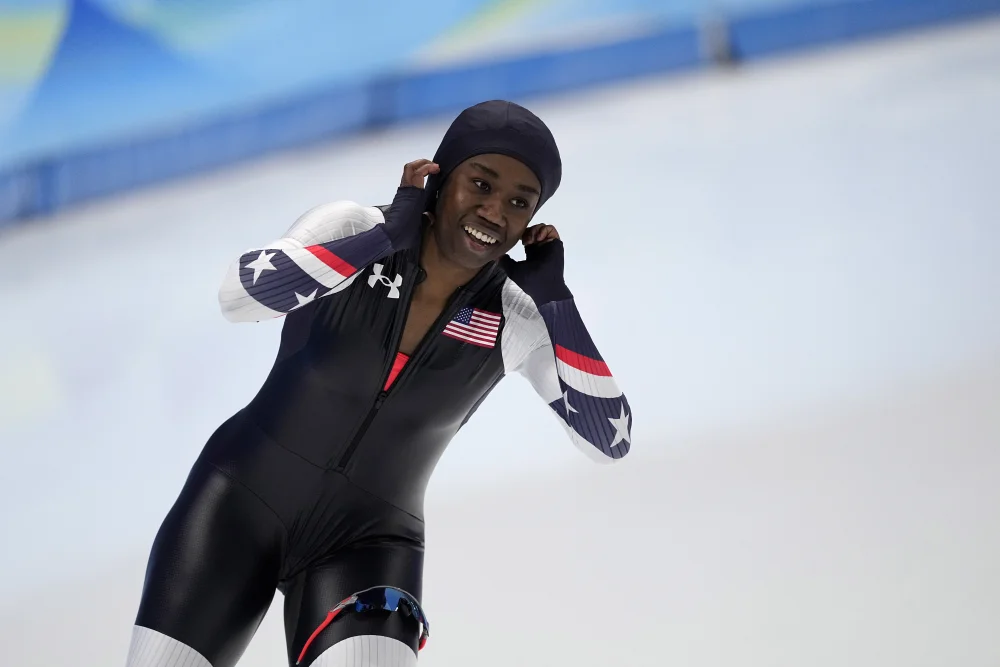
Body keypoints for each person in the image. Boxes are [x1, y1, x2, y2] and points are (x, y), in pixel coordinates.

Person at [126, 100, 632, 667]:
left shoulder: (517, 316)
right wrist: (380, 240)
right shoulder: (351, 230)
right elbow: (239, 298)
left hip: (366, 545)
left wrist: (556, 303)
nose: (494, 211)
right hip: (238, 506)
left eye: (519, 202)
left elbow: (608, 441)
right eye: (480, 184)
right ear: (440, 179)